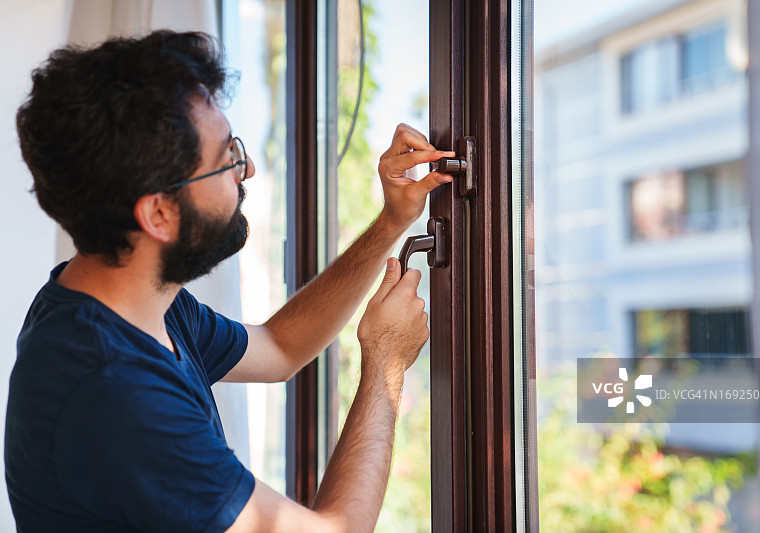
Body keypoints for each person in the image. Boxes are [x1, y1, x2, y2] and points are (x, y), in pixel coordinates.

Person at [5, 30, 454, 532]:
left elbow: (281, 346)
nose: (248, 170)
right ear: (158, 213)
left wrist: (390, 223)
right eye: (226, 161)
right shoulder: (115, 394)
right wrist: (386, 366)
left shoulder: (139, 301)